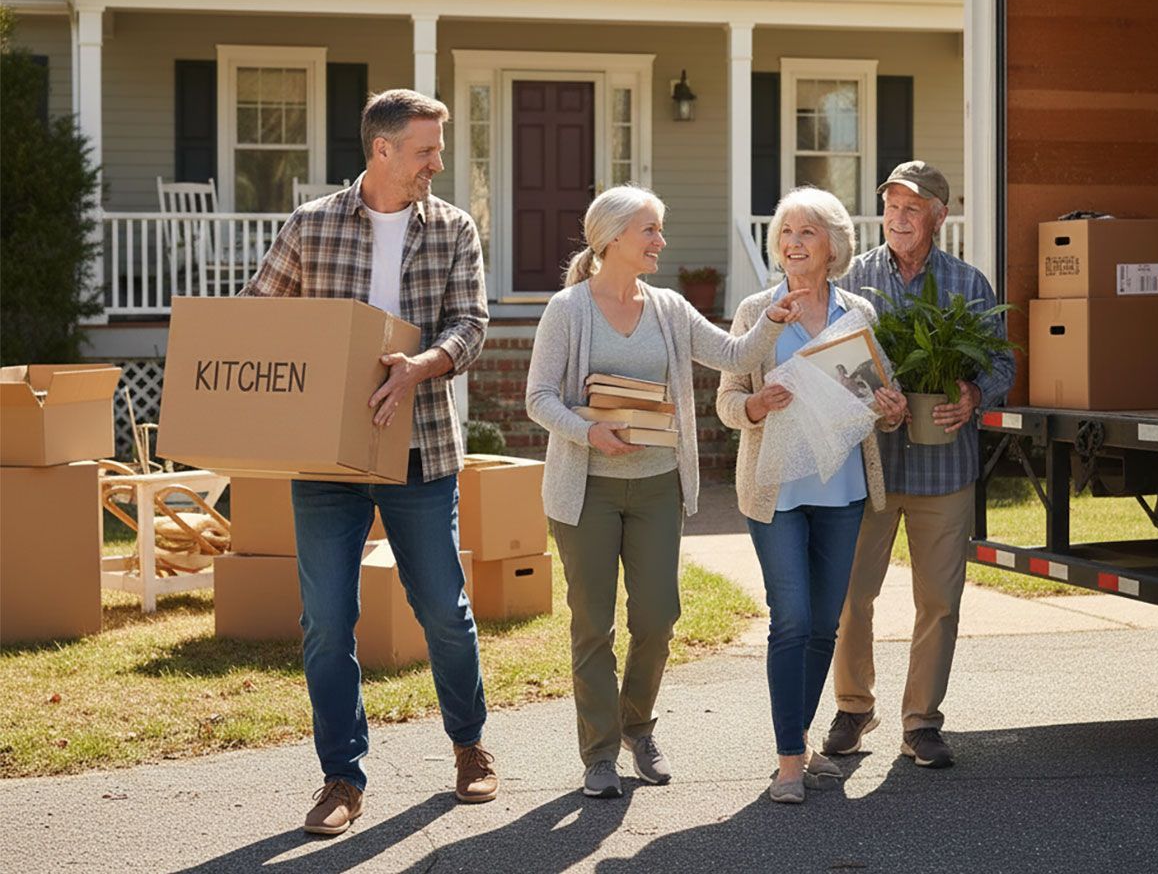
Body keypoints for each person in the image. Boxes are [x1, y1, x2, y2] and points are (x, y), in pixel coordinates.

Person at [241, 89, 496, 835]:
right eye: (425, 150)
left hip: (423, 448)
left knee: (443, 611)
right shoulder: (312, 225)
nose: (436, 164)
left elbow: (472, 323)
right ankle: (340, 779)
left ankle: (470, 746)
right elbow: (262, 312)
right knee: (326, 620)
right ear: (381, 149)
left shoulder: (452, 228)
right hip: (327, 455)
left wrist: (421, 365)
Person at [526, 185, 809, 799]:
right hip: (587, 491)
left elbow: (732, 352)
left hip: (656, 487)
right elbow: (539, 398)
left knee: (657, 618)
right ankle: (600, 755)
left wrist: (774, 318)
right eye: (650, 230)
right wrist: (588, 432)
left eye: (659, 229)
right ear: (613, 238)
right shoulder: (568, 309)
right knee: (592, 625)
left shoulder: (670, 309)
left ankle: (636, 724)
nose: (661, 241)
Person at [716, 187, 907, 804]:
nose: (792, 243)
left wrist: (892, 409)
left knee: (825, 623)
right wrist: (754, 404)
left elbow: (878, 402)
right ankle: (791, 760)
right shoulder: (755, 312)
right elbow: (726, 403)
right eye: (785, 233)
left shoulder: (859, 312)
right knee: (791, 618)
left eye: (807, 233)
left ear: (833, 248)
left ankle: (798, 740)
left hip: (844, 488)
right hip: (776, 492)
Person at [825, 160, 1015, 769]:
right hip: (870, 465)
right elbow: (828, 361)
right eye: (892, 206)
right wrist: (870, 397)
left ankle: (921, 722)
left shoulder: (967, 282)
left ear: (938, 215)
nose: (898, 218)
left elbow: (1003, 364)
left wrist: (974, 394)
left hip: (944, 468)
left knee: (939, 600)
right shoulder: (852, 278)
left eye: (912, 208)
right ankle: (854, 708)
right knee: (852, 597)